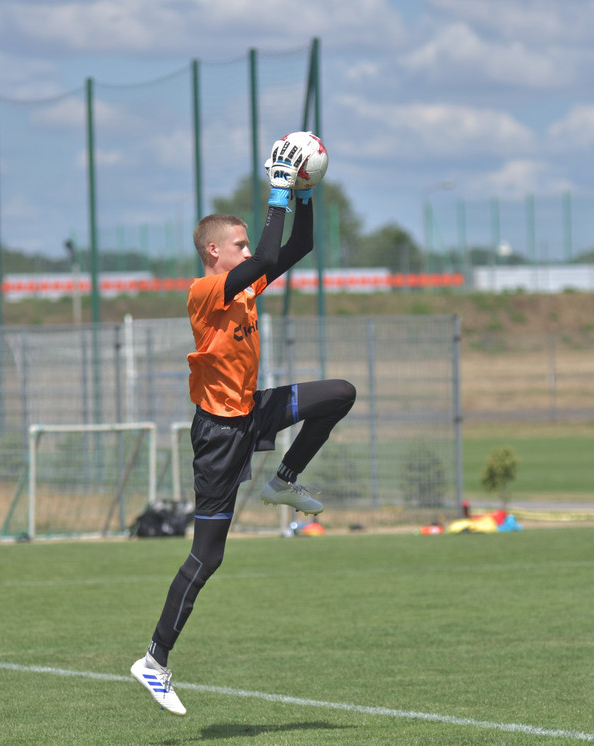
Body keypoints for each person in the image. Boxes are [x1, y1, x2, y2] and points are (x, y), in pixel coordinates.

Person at [130, 134, 357, 715]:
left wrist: (303, 194)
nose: (247, 248)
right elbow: (263, 258)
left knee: (339, 394)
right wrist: (277, 191)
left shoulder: (246, 285)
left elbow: (294, 248)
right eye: (236, 242)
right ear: (213, 252)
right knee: (209, 556)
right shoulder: (206, 291)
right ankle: (153, 660)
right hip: (217, 434)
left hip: (249, 410)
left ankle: (283, 479)